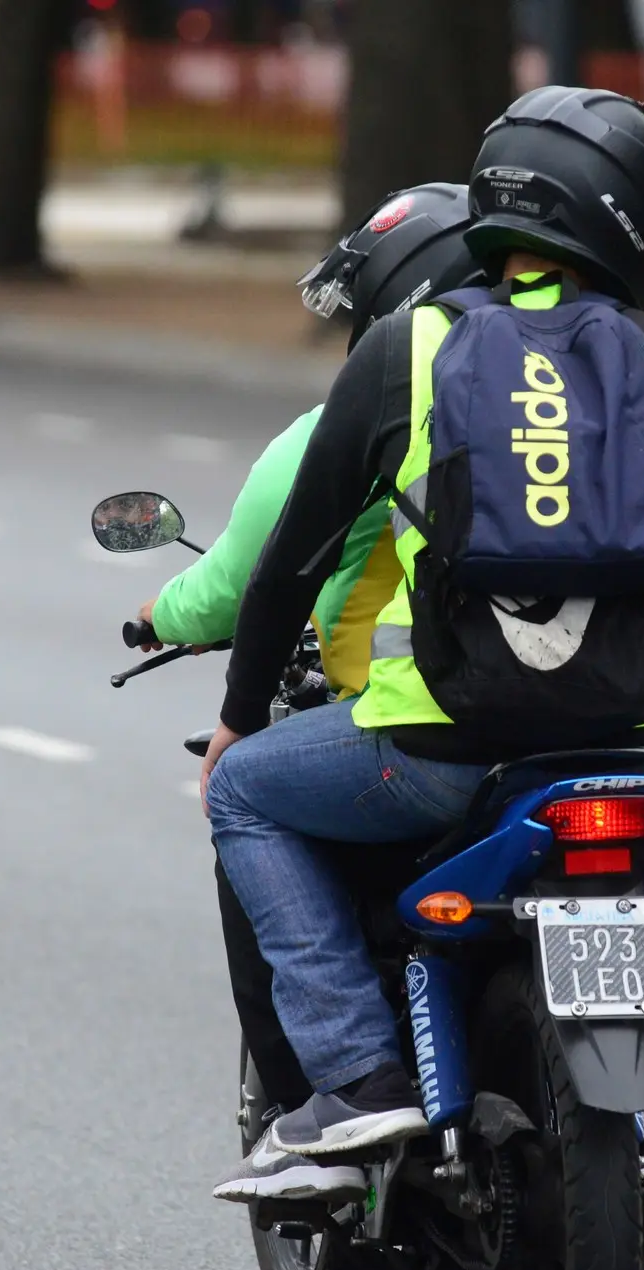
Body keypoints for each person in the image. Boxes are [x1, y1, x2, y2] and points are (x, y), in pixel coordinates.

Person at [202, 87, 644, 1192]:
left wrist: (234, 719)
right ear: (619, 221)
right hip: (641, 744)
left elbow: (289, 566)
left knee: (244, 794)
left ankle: (358, 1078)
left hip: (439, 753)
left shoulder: (406, 347)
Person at [126, 184, 483, 1202]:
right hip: (598, 722)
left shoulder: (344, 418)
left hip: (412, 723)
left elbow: (249, 579)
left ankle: (340, 1085)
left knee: (239, 790)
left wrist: (162, 621)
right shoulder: (590, 395)